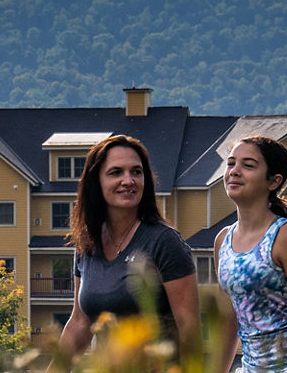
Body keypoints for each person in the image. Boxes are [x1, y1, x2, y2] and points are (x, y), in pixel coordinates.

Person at [61, 135, 199, 354]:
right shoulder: (87, 244)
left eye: (136, 172)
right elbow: (80, 323)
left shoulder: (164, 242)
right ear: (96, 181)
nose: (128, 180)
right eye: (116, 172)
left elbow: (189, 331)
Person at [214, 137, 287, 373]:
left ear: (274, 181)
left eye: (248, 165)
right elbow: (228, 322)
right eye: (231, 163)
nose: (235, 171)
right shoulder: (222, 240)